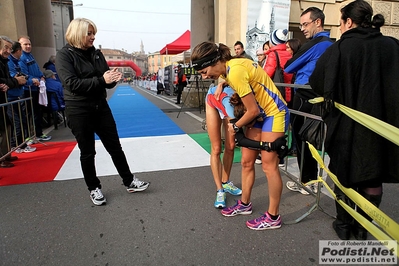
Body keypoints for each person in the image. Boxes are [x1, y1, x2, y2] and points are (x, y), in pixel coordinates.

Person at [309, 0, 399, 240]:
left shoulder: (339, 49)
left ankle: (345, 225)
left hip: (346, 127)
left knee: (344, 174)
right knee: (373, 174)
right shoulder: (392, 46)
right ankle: (365, 227)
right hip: (383, 127)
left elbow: (317, 81)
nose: (339, 28)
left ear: (348, 22)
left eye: (340, 22)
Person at [191, 42, 289, 230]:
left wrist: (234, 126)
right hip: (260, 113)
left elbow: (251, 111)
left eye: (204, 71)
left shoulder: (234, 71)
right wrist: (224, 81)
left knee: (269, 166)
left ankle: (273, 216)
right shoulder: (232, 66)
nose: (204, 77)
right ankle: (245, 204)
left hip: (274, 113)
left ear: (214, 61)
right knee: (246, 162)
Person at [55, 18, 150, 206]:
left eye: (93, 33)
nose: (93, 37)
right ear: (78, 33)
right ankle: (94, 188)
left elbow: (105, 80)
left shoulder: (96, 53)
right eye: (89, 33)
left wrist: (113, 78)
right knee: (87, 151)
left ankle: (129, 180)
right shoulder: (64, 55)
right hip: (79, 109)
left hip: (100, 106)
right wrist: (101, 80)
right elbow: (72, 84)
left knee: (115, 146)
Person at [284, 7, 333, 195]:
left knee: (302, 137)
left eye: (305, 24)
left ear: (317, 22)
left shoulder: (318, 43)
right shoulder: (329, 43)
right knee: (310, 137)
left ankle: (308, 181)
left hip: (305, 95)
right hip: (315, 95)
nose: (302, 28)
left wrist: (300, 66)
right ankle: (310, 179)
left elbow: (289, 67)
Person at [205, 85, 242, 208]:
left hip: (230, 103)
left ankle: (225, 182)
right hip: (213, 100)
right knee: (216, 148)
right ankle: (219, 190)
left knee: (230, 146)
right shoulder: (232, 109)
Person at [0, 36, 27, 166]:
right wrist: (15, 81)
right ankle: (2, 158)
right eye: (6, 47)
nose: (8, 51)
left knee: (7, 125)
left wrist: (8, 83)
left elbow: (4, 81)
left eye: (10, 48)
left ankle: (6, 154)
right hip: (5, 99)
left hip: (4, 99)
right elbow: (3, 81)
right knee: (4, 127)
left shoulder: (4, 61)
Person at [18, 35, 52, 141]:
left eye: (29, 44)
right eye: (25, 44)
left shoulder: (30, 56)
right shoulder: (21, 58)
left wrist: (41, 76)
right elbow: (24, 74)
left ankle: (38, 133)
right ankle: (28, 136)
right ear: (20, 46)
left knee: (37, 112)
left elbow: (37, 69)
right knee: (28, 114)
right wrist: (33, 80)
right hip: (27, 90)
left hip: (35, 89)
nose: (28, 46)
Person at [6, 41, 36, 153]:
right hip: (11, 97)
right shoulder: (9, 62)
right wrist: (20, 79)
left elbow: (21, 76)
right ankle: (17, 145)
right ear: (19, 50)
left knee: (22, 121)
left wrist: (24, 79)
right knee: (16, 122)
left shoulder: (16, 61)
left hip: (18, 95)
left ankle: (19, 144)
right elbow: (15, 78)